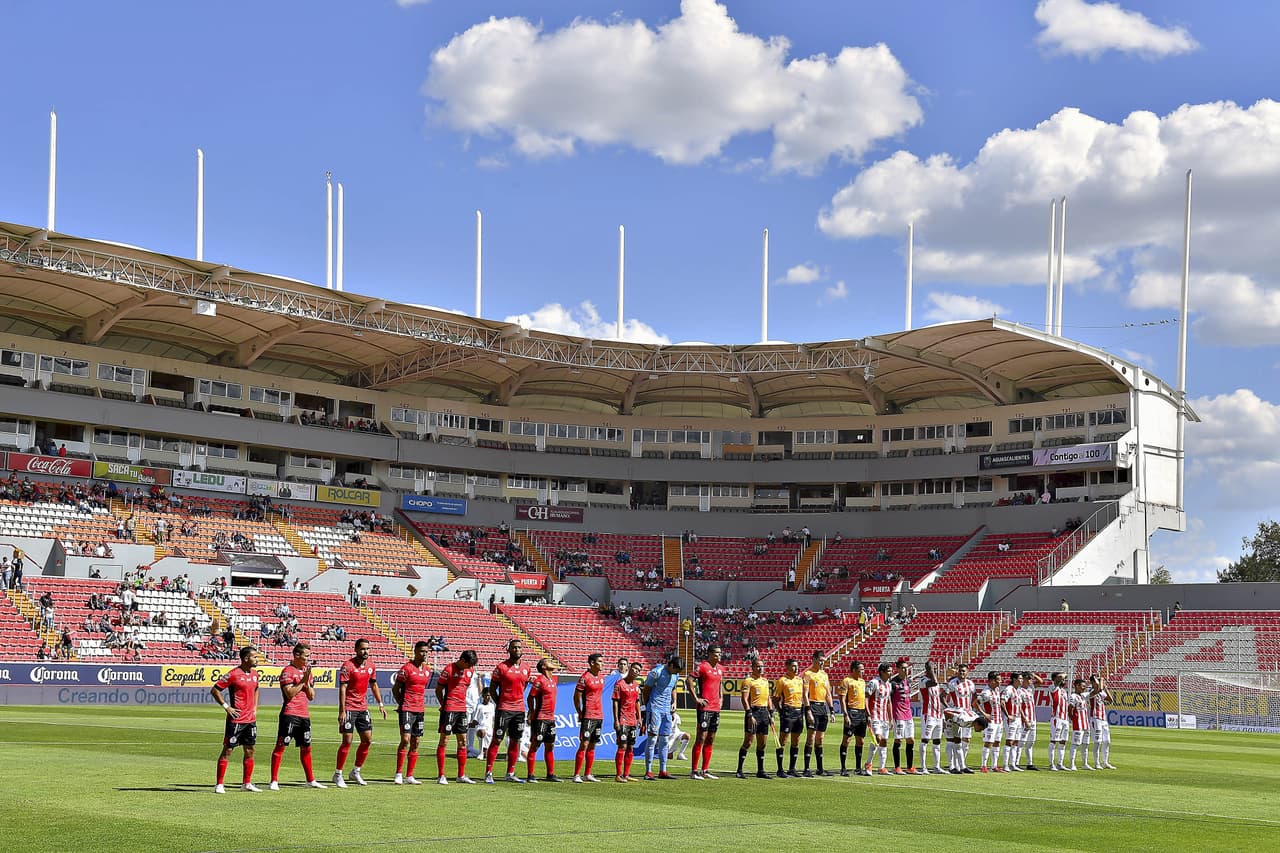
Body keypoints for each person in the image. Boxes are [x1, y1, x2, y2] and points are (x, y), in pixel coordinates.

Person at [269, 642, 324, 790]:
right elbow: (290, 693)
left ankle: (310, 780)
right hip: (290, 714)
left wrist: (307, 684)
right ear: (297, 655)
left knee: (306, 748)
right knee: (281, 746)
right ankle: (274, 780)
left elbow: (311, 696)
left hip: (304, 715)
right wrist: (303, 681)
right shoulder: (287, 671)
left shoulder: (307, 671)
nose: (308, 659)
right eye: (306, 656)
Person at [333, 638, 386, 788]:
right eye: (363, 649)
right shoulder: (347, 666)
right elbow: (343, 688)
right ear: (356, 650)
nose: (366, 652)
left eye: (368, 649)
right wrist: (342, 710)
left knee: (367, 740)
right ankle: (338, 774)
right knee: (347, 741)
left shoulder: (371, 666)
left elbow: (374, 685)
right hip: (349, 707)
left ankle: (355, 771)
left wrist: (380, 704)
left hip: (363, 708)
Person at [210, 646, 261, 794]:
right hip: (236, 720)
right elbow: (215, 690)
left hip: (250, 720)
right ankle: (219, 784)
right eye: (254, 657)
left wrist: (255, 708)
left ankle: (247, 783)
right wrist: (227, 707)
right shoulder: (233, 674)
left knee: (250, 750)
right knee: (228, 750)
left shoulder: (255, 674)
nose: (257, 659)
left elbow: (257, 689)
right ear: (246, 659)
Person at [486, 639, 532, 784]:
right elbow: (492, 688)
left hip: (519, 710)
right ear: (509, 650)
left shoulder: (526, 668)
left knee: (515, 741)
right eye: (514, 647)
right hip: (504, 709)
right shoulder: (501, 667)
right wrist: (500, 701)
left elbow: (523, 687)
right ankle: (488, 772)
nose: (517, 650)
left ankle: (510, 773)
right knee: (497, 739)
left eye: (519, 647)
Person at [392, 641, 433, 785]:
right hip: (407, 708)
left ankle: (409, 775)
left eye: (426, 652)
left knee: (416, 742)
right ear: (415, 651)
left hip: (420, 710)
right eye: (422, 651)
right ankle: (398, 773)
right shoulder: (406, 669)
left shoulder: (428, 671)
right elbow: (396, 688)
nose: (425, 654)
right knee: (405, 740)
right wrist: (401, 703)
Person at [435, 649, 478, 784]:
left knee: (463, 742)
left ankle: (461, 775)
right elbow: (438, 689)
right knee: (444, 741)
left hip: (462, 710)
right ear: (462, 660)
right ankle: (441, 775)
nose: (470, 667)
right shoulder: (449, 669)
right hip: (449, 709)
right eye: (469, 664)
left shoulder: (470, 671)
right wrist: (444, 704)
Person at [641, 653, 684, 780]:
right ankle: (648, 771)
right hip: (655, 709)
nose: (675, 673)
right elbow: (646, 689)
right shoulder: (656, 672)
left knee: (665, 740)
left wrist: (674, 702)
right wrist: (648, 706)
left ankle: (663, 770)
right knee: (652, 739)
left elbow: (673, 688)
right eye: (675, 670)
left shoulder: (675, 675)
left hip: (667, 710)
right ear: (670, 665)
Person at [686, 645, 724, 780]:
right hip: (705, 708)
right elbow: (689, 680)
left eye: (720, 653)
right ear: (709, 653)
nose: (719, 655)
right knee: (701, 738)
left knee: (711, 739)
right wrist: (696, 698)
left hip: (715, 708)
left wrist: (721, 698)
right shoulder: (702, 667)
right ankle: (694, 771)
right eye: (717, 653)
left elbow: (720, 684)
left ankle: (705, 770)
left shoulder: (720, 669)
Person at [735, 658, 775, 779]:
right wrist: (749, 714)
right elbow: (744, 699)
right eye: (758, 666)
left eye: (762, 666)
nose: (760, 668)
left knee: (762, 744)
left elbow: (768, 698)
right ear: (752, 667)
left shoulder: (765, 681)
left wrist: (771, 714)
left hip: (764, 713)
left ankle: (761, 770)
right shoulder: (748, 681)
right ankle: (739, 770)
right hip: (754, 712)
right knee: (748, 742)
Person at [526, 657, 561, 782]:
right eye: (548, 661)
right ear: (543, 666)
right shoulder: (539, 681)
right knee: (535, 745)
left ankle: (550, 774)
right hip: (540, 718)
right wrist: (532, 711)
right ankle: (530, 775)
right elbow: (530, 697)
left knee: (550, 745)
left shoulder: (553, 680)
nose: (551, 661)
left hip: (551, 718)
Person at [573, 653, 606, 783]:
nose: (602, 664)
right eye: (600, 661)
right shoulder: (584, 678)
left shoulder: (602, 678)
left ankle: (588, 774)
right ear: (592, 663)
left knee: (593, 745)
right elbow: (576, 697)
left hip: (599, 716)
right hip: (588, 715)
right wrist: (580, 712)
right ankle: (576, 774)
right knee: (584, 744)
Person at [802, 650, 834, 777]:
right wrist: (808, 710)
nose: (822, 663)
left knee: (820, 739)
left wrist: (831, 710)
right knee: (811, 738)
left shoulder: (824, 675)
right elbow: (805, 694)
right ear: (814, 659)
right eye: (820, 660)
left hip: (822, 708)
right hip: (813, 706)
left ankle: (820, 769)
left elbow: (828, 694)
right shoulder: (808, 674)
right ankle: (806, 768)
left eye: (823, 661)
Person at [772, 658, 805, 777]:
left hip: (798, 712)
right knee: (783, 740)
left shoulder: (800, 680)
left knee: (796, 741)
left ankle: (792, 768)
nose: (796, 668)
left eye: (796, 666)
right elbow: (775, 698)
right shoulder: (782, 680)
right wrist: (780, 711)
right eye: (793, 666)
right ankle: (780, 769)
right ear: (787, 667)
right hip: (788, 711)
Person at [612, 661, 643, 782]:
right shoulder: (620, 684)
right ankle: (618, 775)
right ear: (630, 668)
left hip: (632, 720)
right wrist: (616, 720)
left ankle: (626, 774)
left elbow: (637, 702)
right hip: (623, 719)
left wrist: (639, 718)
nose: (636, 671)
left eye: (638, 670)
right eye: (635, 668)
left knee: (631, 747)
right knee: (622, 746)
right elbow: (615, 702)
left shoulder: (636, 685)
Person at [838, 659, 868, 776]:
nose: (863, 672)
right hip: (852, 713)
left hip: (862, 714)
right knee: (847, 740)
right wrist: (846, 714)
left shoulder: (862, 682)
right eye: (861, 669)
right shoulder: (847, 681)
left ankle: (858, 768)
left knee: (860, 741)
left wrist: (867, 713)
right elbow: (842, 699)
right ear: (854, 670)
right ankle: (843, 768)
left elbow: (864, 698)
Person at [945, 663, 977, 773]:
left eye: (964, 671)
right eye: (960, 671)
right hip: (957, 714)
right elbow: (942, 696)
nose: (962, 673)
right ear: (957, 672)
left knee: (966, 740)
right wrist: (950, 710)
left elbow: (975, 696)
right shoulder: (953, 683)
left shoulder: (971, 684)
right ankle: (952, 766)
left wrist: (972, 707)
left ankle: (961, 764)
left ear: (967, 672)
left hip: (967, 715)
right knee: (954, 740)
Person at [888, 658, 917, 774]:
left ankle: (910, 767)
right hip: (898, 715)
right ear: (898, 669)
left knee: (911, 740)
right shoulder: (893, 683)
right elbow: (888, 699)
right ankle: (897, 767)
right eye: (903, 668)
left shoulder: (908, 682)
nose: (906, 670)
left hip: (908, 714)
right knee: (898, 740)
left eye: (906, 668)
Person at [918, 661, 946, 774]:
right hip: (928, 714)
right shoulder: (923, 680)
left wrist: (943, 715)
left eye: (934, 667)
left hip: (938, 715)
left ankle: (936, 766)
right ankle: (923, 767)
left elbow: (938, 698)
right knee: (925, 740)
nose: (934, 669)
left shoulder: (936, 682)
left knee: (937, 742)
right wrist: (931, 670)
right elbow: (933, 682)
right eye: (931, 667)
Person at [865, 662, 893, 774]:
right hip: (875, 716)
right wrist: (867, 713)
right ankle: (868, 764)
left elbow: (889, 702)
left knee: (884, 742)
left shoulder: (889, 685)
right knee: (878, 739)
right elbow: (866, 697)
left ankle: (882, 767)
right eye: (889, 671)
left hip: (884, 717)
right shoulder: (874, 682)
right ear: (882, 672)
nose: (891, 673)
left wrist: (891, 719)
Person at [975, 671, 1006, 773]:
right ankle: (983, 765)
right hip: (991, 722)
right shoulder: (986, 692)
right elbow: (975, 703)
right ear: (992, 680)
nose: (1000, 682)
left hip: (999, 721)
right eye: (998, 680)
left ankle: (994, 766)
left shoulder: (996, 689)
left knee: (997, 742)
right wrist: (984, 714)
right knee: (988, 743)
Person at [1088, 674, 1115, 769]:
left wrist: (1106, 688)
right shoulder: (1091, 691)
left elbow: (1110, 699)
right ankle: (1097, 763)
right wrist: (1102, 681)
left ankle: (1105, 762)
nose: (1098, 682)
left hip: (1103, 719)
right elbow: (1098, 690)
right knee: (1097, 741)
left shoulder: (1101, 691)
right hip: (1095, 718)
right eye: (1096, 681)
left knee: (1107, 741)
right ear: (1092, 682)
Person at [1046, 671, 1071, 771]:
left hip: (1065, 719)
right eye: (1061, 678)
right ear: (1055, 679)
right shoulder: (1052, 688)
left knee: (1063, 742)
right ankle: (1051, 764)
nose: (1063, 680)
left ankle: (1060, 763)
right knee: (1053, 741)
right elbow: (1061, 677)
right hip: (1057, 718)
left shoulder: (1064, 691)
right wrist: (1064, 674)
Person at [999, 672, 1024, 772]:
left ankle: (1013, 764)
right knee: (1009, 741)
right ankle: (1005, 765)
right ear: (1014, 679)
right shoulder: (1009, 689)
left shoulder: (1019, 691)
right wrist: (1007, 715)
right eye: (1020, 679)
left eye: (1022, 679)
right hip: (1011, 719)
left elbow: (1019, 705)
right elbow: (1002, 702)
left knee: (1016, 742)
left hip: (1018, 719)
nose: (1021, 680)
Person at [1020, 670, 1043, 770]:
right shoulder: (1019, 691)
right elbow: (1019, 707)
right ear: (1023, 679)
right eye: (1028, 678)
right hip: (1025, 720)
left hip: (1033, 719)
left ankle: (1030, 763)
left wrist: (1034, 675)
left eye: (1030, 679)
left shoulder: (1030, 689)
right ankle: (1015, 762)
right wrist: (1024, 719)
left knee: (1031, 742)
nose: (1030, 680)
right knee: (1021, 742)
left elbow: (1040, 681)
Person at [1067, 678, 1091, 771]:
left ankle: (1084, 763)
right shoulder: (1073, 696)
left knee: (1085, 744)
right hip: (1078, 723)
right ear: (1077, 686)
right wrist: (1073, 719)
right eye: (1083, 686)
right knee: (1075, 744)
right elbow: (1070, 709)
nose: (1084, 688)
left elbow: (1095, 692)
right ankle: (1072, 764)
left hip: (1085, 723)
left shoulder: (1083, 696)